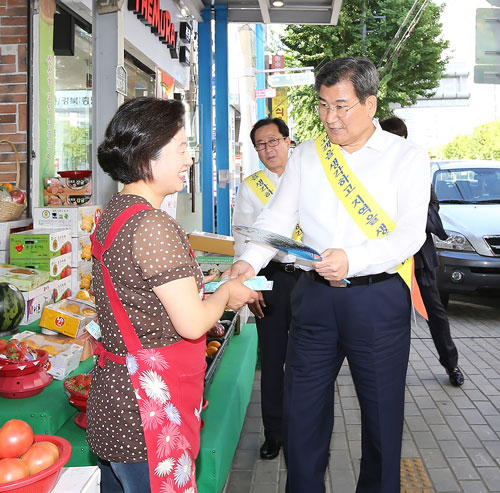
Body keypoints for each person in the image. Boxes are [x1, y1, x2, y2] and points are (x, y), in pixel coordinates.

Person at [224, 57, 430, 492]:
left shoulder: (406, 158)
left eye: (341, 106)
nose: (329, 118)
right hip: (313, 298)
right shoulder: (307, 155)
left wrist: (354, 260)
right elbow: (278, 219)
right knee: (303, 410)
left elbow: (411, 234)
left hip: (377, 299)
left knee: (380, 413)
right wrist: (249, 263)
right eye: (322, 106)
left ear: (370, 104)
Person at [86, 97, 257, 493]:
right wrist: (227, 292)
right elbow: (193, 322)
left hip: (115, 397)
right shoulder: (152, 225)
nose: (188, 159)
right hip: (145, 413)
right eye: (181, 148)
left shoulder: (116, 211)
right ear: (149, 154)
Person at [232, 118, 302, 460]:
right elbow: (243, 238)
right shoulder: (252, 186)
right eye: (260, 145)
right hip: (271, 279)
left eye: (273, 141)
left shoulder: (310, 176)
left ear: (288, 141)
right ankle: (273, 432)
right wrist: (252, 286)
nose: (267, 149)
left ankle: (304, 429)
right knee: (273, 360)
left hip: (311, 278)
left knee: (309, 359)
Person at [380, 116, 464, 386]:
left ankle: (451, 364)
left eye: (399, 138)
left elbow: (433, 212)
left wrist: (409, 213)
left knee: (435, 313)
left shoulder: (417, 170)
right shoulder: (372, 173)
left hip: (419, 259)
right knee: (383, 317)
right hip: (385, 259)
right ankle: (379, 369)